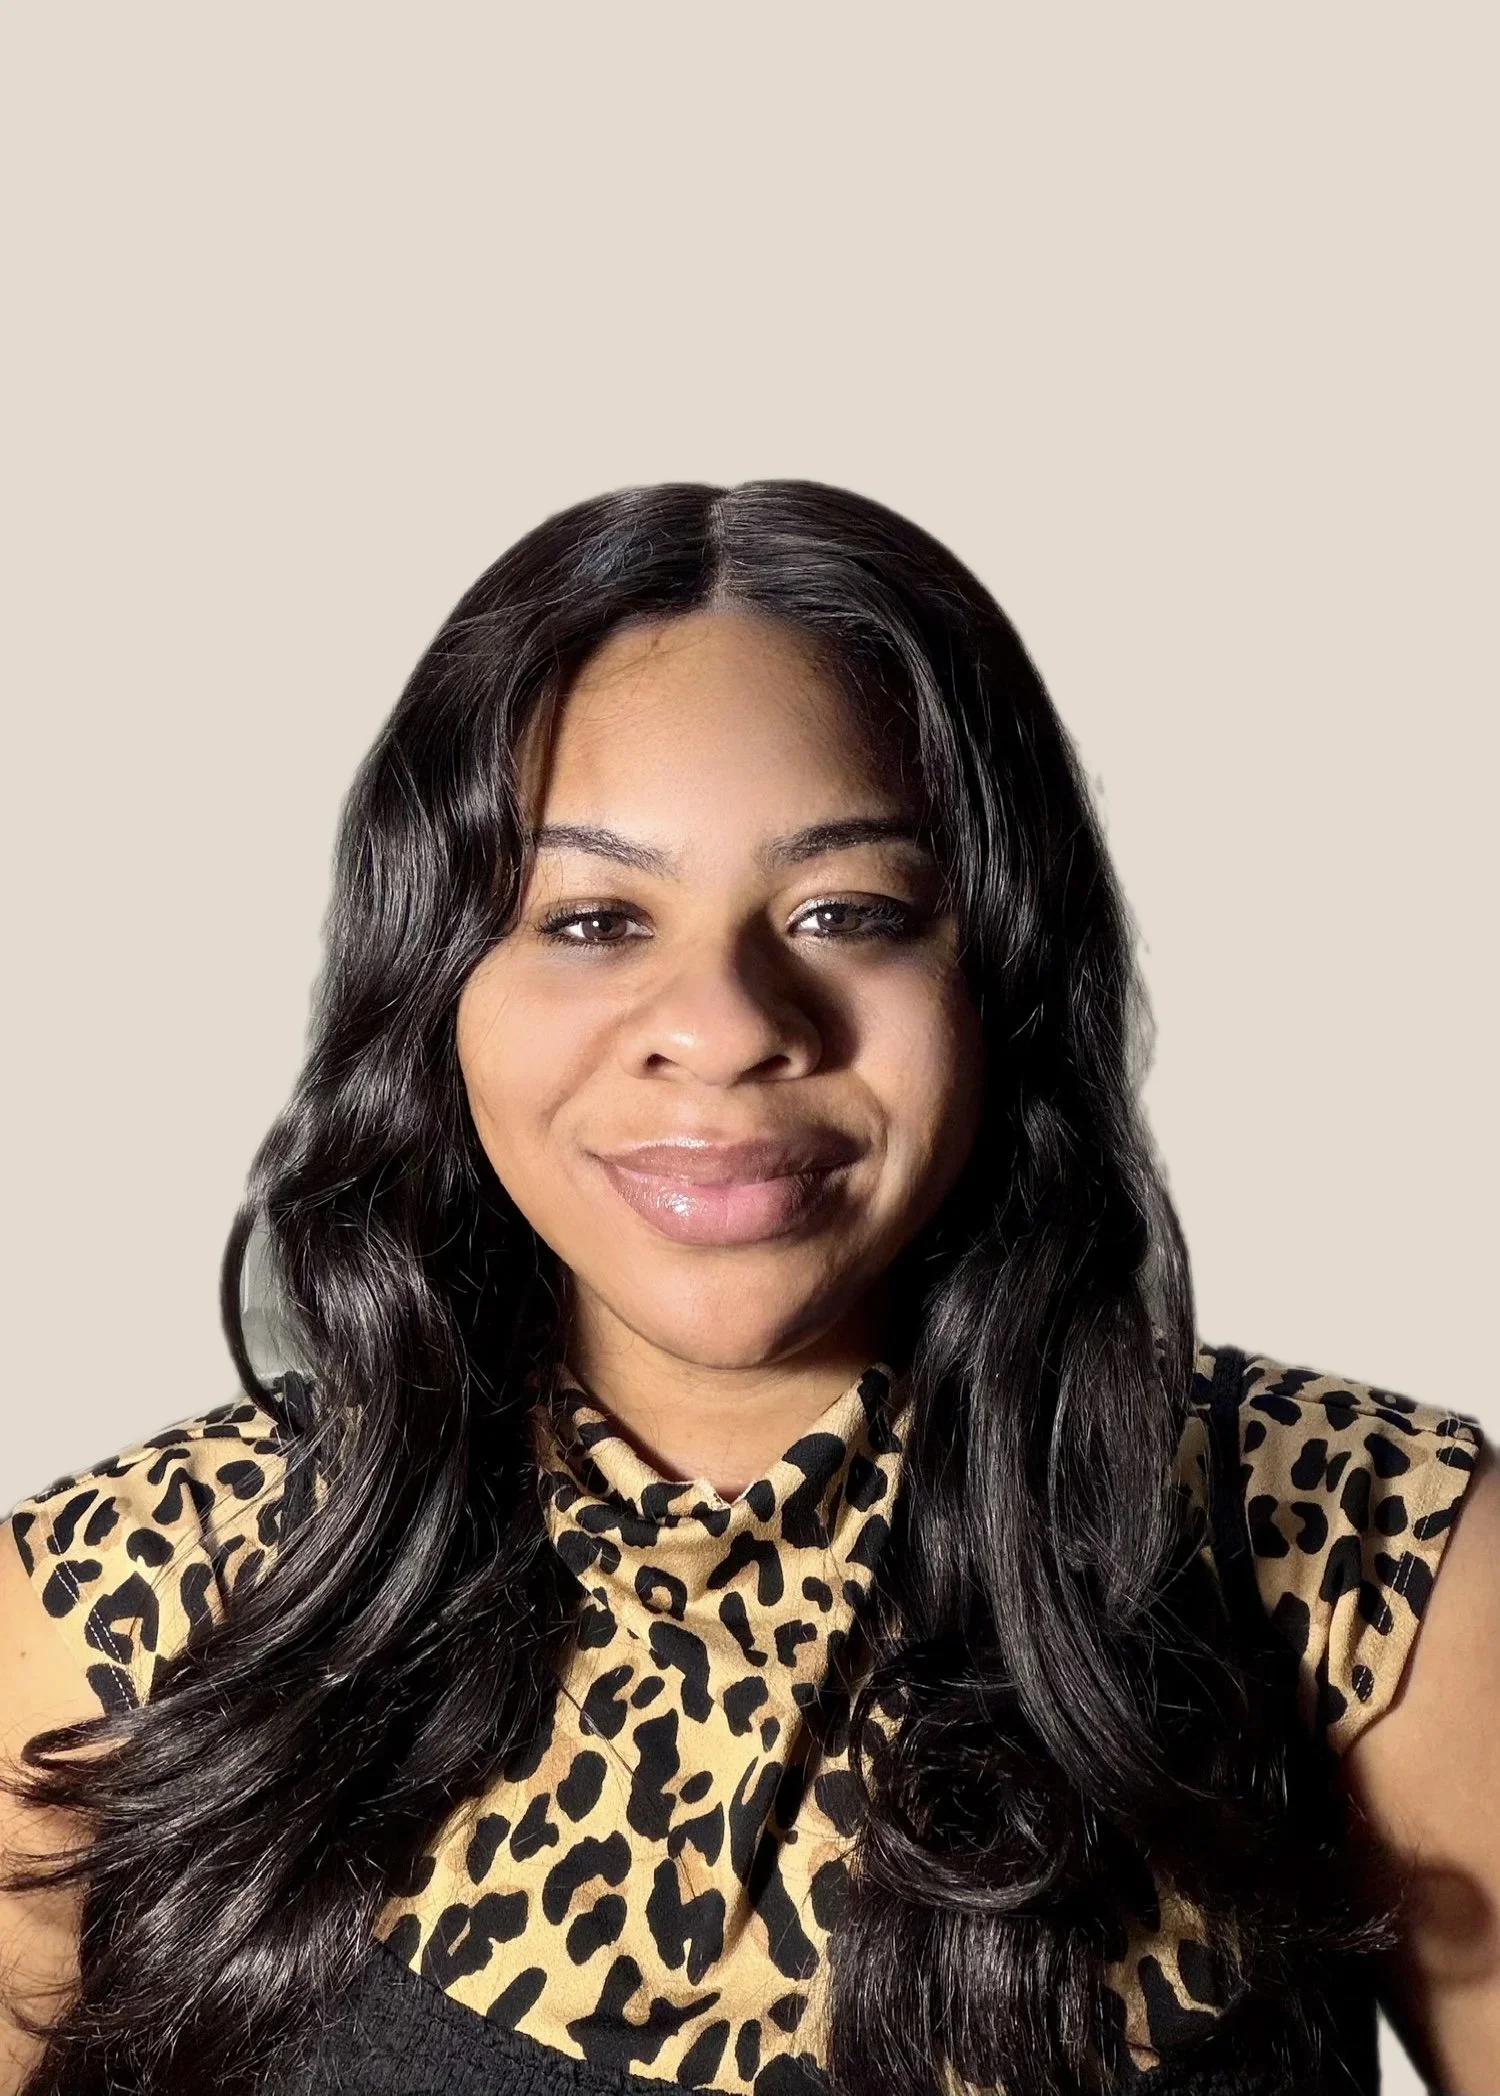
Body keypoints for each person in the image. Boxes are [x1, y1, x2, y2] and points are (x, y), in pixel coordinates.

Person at [1, 481, 1496, 2096]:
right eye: (589, 918)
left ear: (998, 965)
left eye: (846, 912)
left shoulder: (1365, 1552)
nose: (720, 1024)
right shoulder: (126, 1604)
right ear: (434, 987)